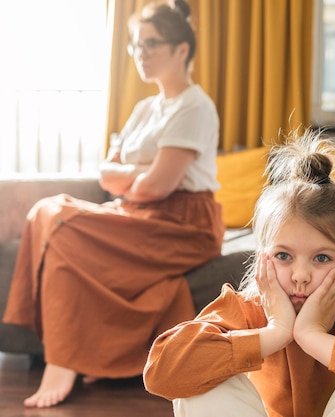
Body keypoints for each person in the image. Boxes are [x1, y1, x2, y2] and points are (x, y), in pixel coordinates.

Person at [2, 0, 225, 408]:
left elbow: (159, 186)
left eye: (151, 44)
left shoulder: (195, 107)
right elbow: (109, 175)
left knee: (62, 220)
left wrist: (134, 178)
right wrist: (138, 178)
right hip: (140, 213)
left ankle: (64, 358)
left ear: (182, 49)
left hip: (184, 224)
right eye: (135, 46)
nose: (141, 54)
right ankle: (70, 352)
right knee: (47, 212)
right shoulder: (144, 109)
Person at [143, 130, 335, 417]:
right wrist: (275, 332)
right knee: (200, 381)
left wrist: (311, 335)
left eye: (321, 258)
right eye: (284, 256)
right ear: (262, 259)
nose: (300, 275)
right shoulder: (243, 309)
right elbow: (161, 371)